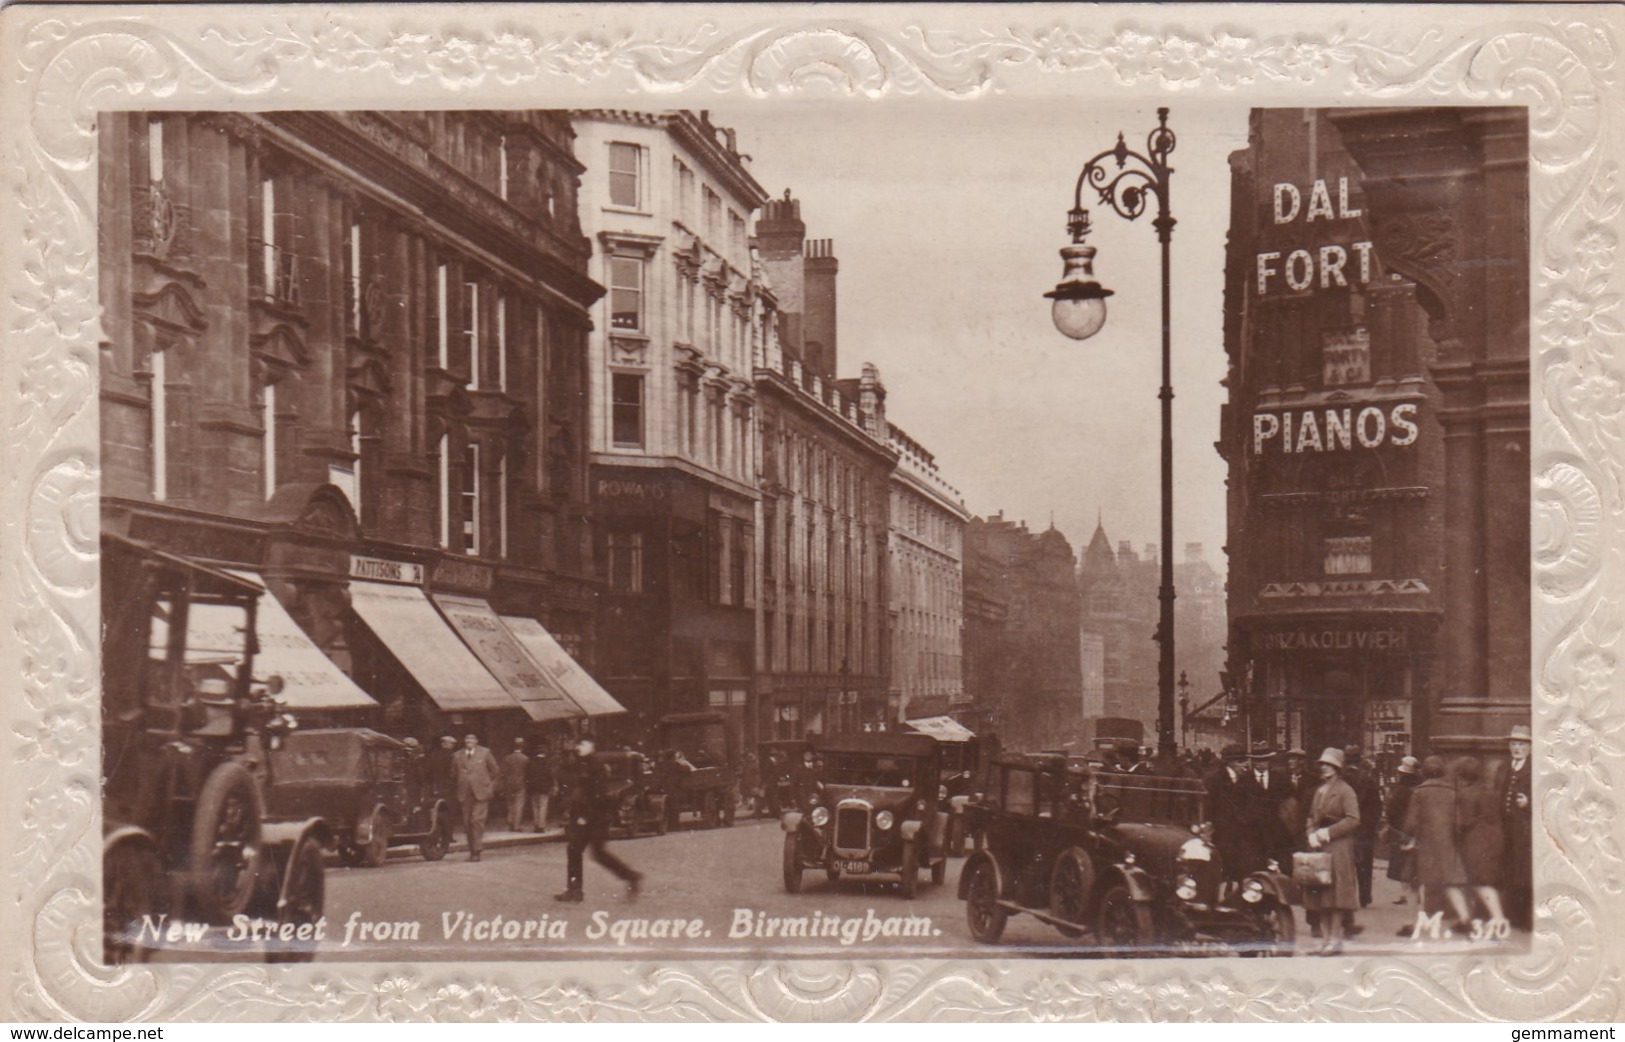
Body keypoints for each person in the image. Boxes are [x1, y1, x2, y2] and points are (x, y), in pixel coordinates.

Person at [554, 736, 643, 902]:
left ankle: (576, 890)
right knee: (589, 852)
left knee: (585, 851)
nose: (578, 747)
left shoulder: (594, 764)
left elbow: (596, 793)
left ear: (591, 746)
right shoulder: (584, 763)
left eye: (582, 744)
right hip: (592, 815)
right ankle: (630, 877)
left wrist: (584, 816)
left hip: (594, 816)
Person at [1402, 755, 1474, 930]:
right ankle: (1465, 919)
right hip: (1447, 845)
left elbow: (1411, 823)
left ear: (1424, 772)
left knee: (1412, 884)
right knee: (1450, 882)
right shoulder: (1452, 793)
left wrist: (1407, 838)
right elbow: (1459, 824)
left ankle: (1411, 923)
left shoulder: (1418, 792)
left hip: (1422, 846)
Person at [1302, 747, 1362, 955]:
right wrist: (1311, 832)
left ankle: (1335, 939)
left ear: (1337, 768)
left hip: (1338, 848)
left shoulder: (1346, 790)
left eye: (1328, 764)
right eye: (1322, 764)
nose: (1324, 767)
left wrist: (1328, 832)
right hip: (1319, 847)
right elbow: (1311, 815)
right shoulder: (1320, 790)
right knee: (1321, 895)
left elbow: (1354, 819)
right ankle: (1326, 938)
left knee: (1335, 897)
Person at [1454, 755, 1509, 929]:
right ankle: (1484, 917)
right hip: (1493, 838)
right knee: (1484, 880)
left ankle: (1498, 918)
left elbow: (1465, 821)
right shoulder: (1489, 792)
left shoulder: (1467, 794)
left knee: (1479, 881)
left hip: (1476, 841)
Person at [1205, 744, 1263, 880]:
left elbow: (1254, 804)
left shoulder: (1247, 779)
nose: (1246, 765)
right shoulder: (1213, 779)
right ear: (1229, 763)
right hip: (1220, 835)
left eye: (1246, 761)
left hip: (1242, 835)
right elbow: (1207, 807)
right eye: (1241, 761)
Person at [1343, 745, 1383, 912]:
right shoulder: (1368, 779)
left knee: (1346, 862)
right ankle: (1364, 896)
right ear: (1359, 759)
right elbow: (1376, 806)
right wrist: (1372, 824)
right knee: (1365, 863)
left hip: (1345, 825)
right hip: (1364, 826)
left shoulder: (1341, 778)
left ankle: (1347, 896)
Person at [1501, 724, 1533, 931]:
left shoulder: (1534, 768)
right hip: (1506, 829)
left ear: (1529, 747)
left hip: (1524, 829)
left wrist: (1528, 803)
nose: (1517, 748)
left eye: (1521, 744)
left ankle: (1524, 918)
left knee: (1524, 872)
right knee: (1509, 870)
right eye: (1514, 743)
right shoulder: (1506, 767)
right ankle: (1510, 915)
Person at [454, 732, 500, 861]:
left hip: (481, 793)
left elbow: (495, 771)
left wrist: (488, 786)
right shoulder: (457, 755)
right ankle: (472, 850)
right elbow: (452, 774)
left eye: (472, 738)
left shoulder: (485, 753)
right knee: (467, 823)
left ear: (477, 740)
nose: (469, 740)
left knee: (477, 821)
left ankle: (476, 851)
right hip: (464, 793)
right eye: (467, 738)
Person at [1384, 755, 1423, 906]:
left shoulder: (1400, 790)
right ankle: (1417, 893)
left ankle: (1404, 894)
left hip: (1401, 829)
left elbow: (1392, 810)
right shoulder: (1419, 787)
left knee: (1402, 863)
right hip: (1417, 829)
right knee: (1414, 862)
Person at [428, 734, 460, 840]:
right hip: (449, 787)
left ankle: (438, 834)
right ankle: (448, 836)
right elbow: (454, 773)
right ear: (445, 744)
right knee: (450, 812)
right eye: (451, 744)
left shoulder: (433, 755)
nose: (452, 746)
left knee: (437, 811)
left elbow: (429, 772)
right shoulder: (452, 756)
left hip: (436, 787)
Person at [500, 737, 530, 832]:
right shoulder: (525, 759)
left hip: (509, 783)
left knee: (510, 804)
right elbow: (527, 772)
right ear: (522, 747)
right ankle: (517, 825)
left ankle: (510, 822)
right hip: (521, 784)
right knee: (519, 805)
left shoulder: (507, 758)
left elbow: (503, 772)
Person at [527, 744, 555, 832]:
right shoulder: (547, 762)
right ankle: (541, 826)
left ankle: (536, 825)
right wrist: (552, 785)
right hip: (544, 788)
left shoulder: (531, 762)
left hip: (533, 788)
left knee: (535, 807)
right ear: (544, 753)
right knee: (543, 806)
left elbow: (528, 776)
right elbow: (550, 775)